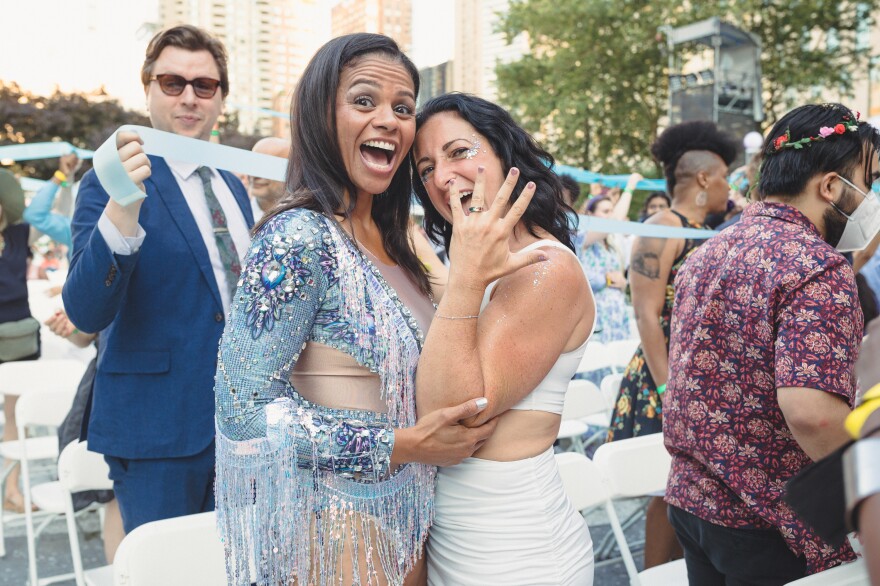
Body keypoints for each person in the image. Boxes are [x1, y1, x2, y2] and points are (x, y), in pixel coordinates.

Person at [213, 35, 495, 586]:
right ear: (321, 115)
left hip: (414, 527)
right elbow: (242, 411)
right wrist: (401, 444)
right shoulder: (298, 238)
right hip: (330, 538)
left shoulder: (401, 244)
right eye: (364, 101)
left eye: (403, 108)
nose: (388, 120)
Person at [664, 103, 878, 583]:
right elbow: (812, 412)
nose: (871, 198)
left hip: (695, 501)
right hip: (772, 520)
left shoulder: (709, 251)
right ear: (830, 187)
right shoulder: (817, 267)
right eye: (870, 180)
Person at [62, 25, 253, 533]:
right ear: (147, 89)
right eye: (172, 83)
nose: (189, 97)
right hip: (155, 432)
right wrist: (123, 214)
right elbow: (85, 311)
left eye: (204, 86)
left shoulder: (234, 185)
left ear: (220, 99)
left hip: (246, 429)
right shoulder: (108, 176)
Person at [412, 93, 597, 585]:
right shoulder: (479, 264)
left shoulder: (545, 268)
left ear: (504, 155)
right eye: (426, 167)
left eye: (458, 152)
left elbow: (453, 407)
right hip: (458, 538)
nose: (442, 178)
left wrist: (465, 278)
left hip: (517, 549)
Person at [607, 120, 738, 569]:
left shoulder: (706, 228)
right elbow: (644, 313)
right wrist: (669, 392)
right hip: (663, 376)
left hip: (696, 378)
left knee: (694, 495)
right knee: (668, 492)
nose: (728, 187)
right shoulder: (663, 225)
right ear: (703, 179)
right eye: (724, 176)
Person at [0, 169, 41, 514]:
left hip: (19, 341)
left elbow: (47, 214)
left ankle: (12, 491)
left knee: (16, 418)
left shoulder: (18, 234)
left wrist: (61, 176)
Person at [580, 195, 631, 343]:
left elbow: (619, 276)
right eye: (606, 211)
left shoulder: (612, 243)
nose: (610, 215)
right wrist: (630, 188)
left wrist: (623, 282)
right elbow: (588, 279)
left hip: (617, 316)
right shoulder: (583, 238)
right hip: (598, 318)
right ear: (590, 214)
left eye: (612, 211)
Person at [22, 152, 79, 247]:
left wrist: (65, 176)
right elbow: (59, 215)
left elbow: (60, 215)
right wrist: (63, 175)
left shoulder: (16, 234)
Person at [248, 136, 288, 220]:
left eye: (268, 167)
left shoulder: (306, 218)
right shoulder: (236, 213)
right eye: (252, 164)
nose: (254, 176)